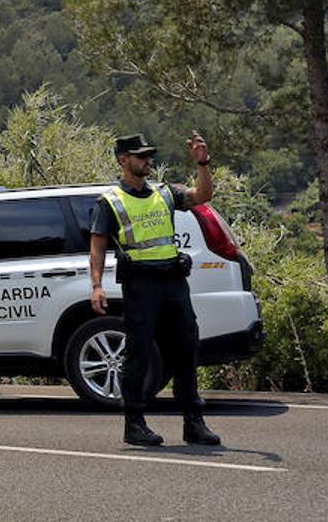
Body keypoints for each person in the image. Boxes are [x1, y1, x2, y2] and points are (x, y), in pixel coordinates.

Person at [89, 131, 222, 447]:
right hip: (141, 285)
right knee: (139, 356)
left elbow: (203, 195)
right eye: (141, 156)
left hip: (174, 283)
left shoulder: (164, 193)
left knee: (186, 350)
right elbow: (96, 247)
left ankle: (194, 422)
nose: (148, 160)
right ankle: (134, 424)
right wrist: (96, 286)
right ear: (124, 161)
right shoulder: (110, 202)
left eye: (149, 155)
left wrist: (203, 162)